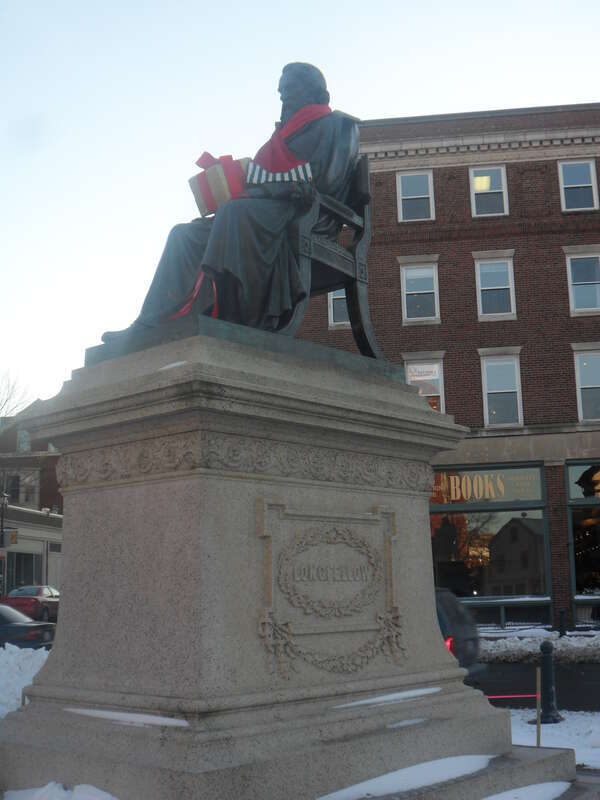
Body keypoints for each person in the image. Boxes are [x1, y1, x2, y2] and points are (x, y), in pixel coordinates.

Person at [102, 63, 359, 343]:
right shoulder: (280, 136)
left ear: (313, 91)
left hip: (306, 216)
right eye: (280, 91)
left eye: (290, 89)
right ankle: (151, 322)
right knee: (183, 235)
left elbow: (326, 180)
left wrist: (274, 189)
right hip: (262, 210)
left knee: (234, 214)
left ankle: (227, 315)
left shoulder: (338, 125)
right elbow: (257, 180)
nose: (283, 96)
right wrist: (231, 182)